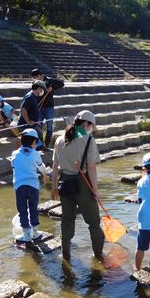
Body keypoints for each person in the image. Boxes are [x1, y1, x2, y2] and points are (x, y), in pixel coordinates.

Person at [51, 110, 105, 262]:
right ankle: (99, 256)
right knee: (94, 222)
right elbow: (92, 167)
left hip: (64, 183)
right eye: (90, 126)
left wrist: (54, 187)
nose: (90, 129)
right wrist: (95, 190)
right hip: (83, 183)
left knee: (67, 219)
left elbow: (55, 166)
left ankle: (66, 255)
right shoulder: (88, 140)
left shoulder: (59, 139)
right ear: (86, 124)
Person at [11, 128, 48, 242]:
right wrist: (45, 175)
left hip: (19, 186)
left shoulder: (15, 153)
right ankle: (35, 233)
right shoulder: (35, 153)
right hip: (33, 186)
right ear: (34, 142)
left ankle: (26, 235)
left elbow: (13, 167)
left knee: (22, 210)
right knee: (33, 208)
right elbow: (41, 167)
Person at [31, 68, 65, 149]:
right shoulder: (36, 83)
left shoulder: (49, 81)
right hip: (39, 107)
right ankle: (40, 144)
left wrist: (52, 88)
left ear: (39, 75)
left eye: (35, 77)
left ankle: (46, 145)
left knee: (49, 127)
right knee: (38, 126)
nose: (34, 79)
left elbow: (61, 83)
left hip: (49, 107)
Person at [18, 80, 46, 147]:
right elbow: (23, 109)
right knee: (32, 139)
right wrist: (28, 121)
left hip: (32, 124)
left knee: (39, 134)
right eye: (42, 89)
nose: (43, 91)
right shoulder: (30, 97)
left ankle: (38, 149)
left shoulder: (34, 97)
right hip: (26, 125)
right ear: (39, 88)